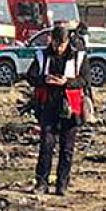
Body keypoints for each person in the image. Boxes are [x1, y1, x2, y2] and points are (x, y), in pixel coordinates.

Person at [24, 23, 92, 195]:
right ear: (51, 41)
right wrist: (45, 79)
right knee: (46, 145)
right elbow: (30, 77)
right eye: (55, 44)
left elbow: (85, 80)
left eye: (61, 44)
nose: (58, 48)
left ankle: (62, 185)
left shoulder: (79, 57)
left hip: (71, 107)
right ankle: (41, 183)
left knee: (67, 148)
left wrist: (66, 83)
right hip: (48, 106)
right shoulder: (41, 56)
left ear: (67, 41)